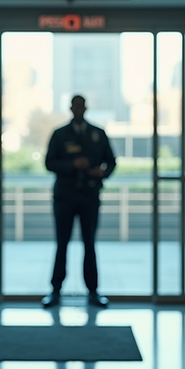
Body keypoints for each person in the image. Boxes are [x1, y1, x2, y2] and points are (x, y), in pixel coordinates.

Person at [42, 95, 117, 308]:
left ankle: (93, 292)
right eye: (75, 106)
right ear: (70, 108)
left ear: (86, 108)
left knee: (90, 244)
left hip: (89, 196)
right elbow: (49, 163)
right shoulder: (60, 134)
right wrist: (72, 164)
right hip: (65, 197)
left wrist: (101, 173)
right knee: (62, 244)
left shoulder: (98, 134)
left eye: (81, 106)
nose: (78, 109)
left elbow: (111, 161)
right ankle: (55, 291)